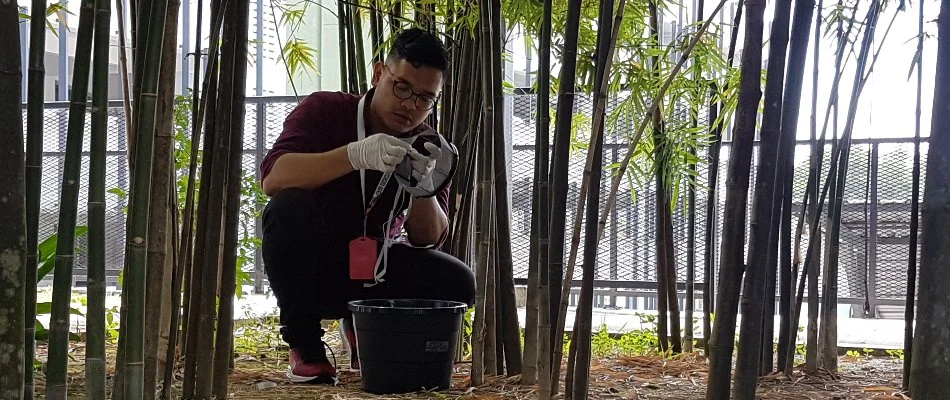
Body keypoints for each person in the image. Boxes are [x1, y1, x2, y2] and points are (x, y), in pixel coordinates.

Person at [259, 28, 476, 384]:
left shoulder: (430, 147)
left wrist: (424, 188)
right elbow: (274, 179)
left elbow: (428, 238)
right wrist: (354, 155)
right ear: (378, 74)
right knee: (286, 208)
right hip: (314, 266)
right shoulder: (325, 109)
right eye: (402, 87)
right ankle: (306, 346)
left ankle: (374, 328)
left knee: (458, 283)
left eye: (425, 98)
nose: (410, 105)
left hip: (376, 267)